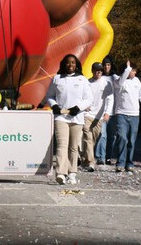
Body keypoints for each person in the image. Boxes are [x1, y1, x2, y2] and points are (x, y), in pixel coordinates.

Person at [47, 54, 93, 185]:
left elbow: (89, 99)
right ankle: (61, 173)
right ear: (63, 64)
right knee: (62, 145)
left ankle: (72, 173)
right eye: (68, 63)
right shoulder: (57, 79)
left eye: (73, 63)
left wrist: (78, 108)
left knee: (73, 147)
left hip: (76, 118)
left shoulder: (82, 79)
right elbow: (49, 96)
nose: (70, 65)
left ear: (77, 65)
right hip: (61, 117)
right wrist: (54, 105)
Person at [113, 60, 141, 173]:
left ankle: (129, 163)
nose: (134, 72)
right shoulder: (119, 82)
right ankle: (120, 163)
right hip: (121, 114)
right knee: (122, 138)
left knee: (131, 140)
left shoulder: (137, 81)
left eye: (135, 71)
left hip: (135, 115)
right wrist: (127, 68)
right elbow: (120, 82)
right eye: (132, 70)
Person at [82, 62, 113, 171]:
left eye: (100, 70)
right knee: (87, 135)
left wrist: (107, 113)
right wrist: (83, 107)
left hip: (99, 117)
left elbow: (110, 99)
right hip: (87, 115)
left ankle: (85, 159)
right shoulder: (87, 82)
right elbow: (82, 96)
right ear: (92, 71)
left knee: (93, 140)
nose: (98, 72)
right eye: (96, 70)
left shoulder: (106, 83)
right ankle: (91, 162)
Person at [95, 55, 119, 165]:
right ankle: (101, 157)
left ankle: (109, 157)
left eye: (108, 65)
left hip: (114, 112)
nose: (106, 67)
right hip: (102, 112)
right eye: (105, 65)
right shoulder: (100, 77)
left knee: (112, 136)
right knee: (102, 135)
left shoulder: (115, 77)